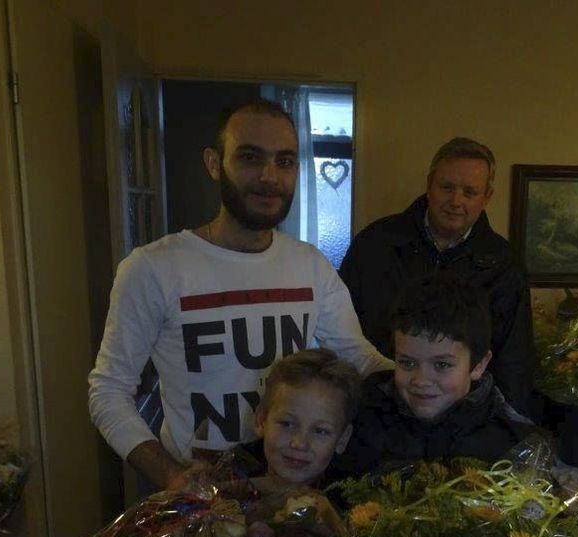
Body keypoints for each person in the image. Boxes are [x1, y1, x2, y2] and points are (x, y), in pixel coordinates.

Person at [89, 99, 390, 492]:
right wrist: (170, 475)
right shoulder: (153, 268)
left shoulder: (310, 265)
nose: (269, 176)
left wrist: (429, 381)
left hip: (285, 489)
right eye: (250, 157)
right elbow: (109, 391)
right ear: (215, 164)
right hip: (198, 494)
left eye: (284, 161)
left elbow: (358, 358)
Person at [338, 137, 534, 416]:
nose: (456, 201)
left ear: (486, 197)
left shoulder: (504, 264)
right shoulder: (374, 244)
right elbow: (340, 334)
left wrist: (515, 428)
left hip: (466, 417)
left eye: (469, 192)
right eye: (447, 187)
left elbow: (514, 360)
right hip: (377, 406)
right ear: (429, 185)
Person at [333, 273, 543, 476]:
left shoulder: (513, 442)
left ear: (478, 365)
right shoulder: (365, 420)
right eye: (407, 363)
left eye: (442, 364)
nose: (421, 380)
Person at [248, 348, 360, 488]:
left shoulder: (357, 499)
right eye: (287, 424)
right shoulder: (223, 481)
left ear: (342, 439)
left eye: (320, 431)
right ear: (261, 420)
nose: (299, 444)